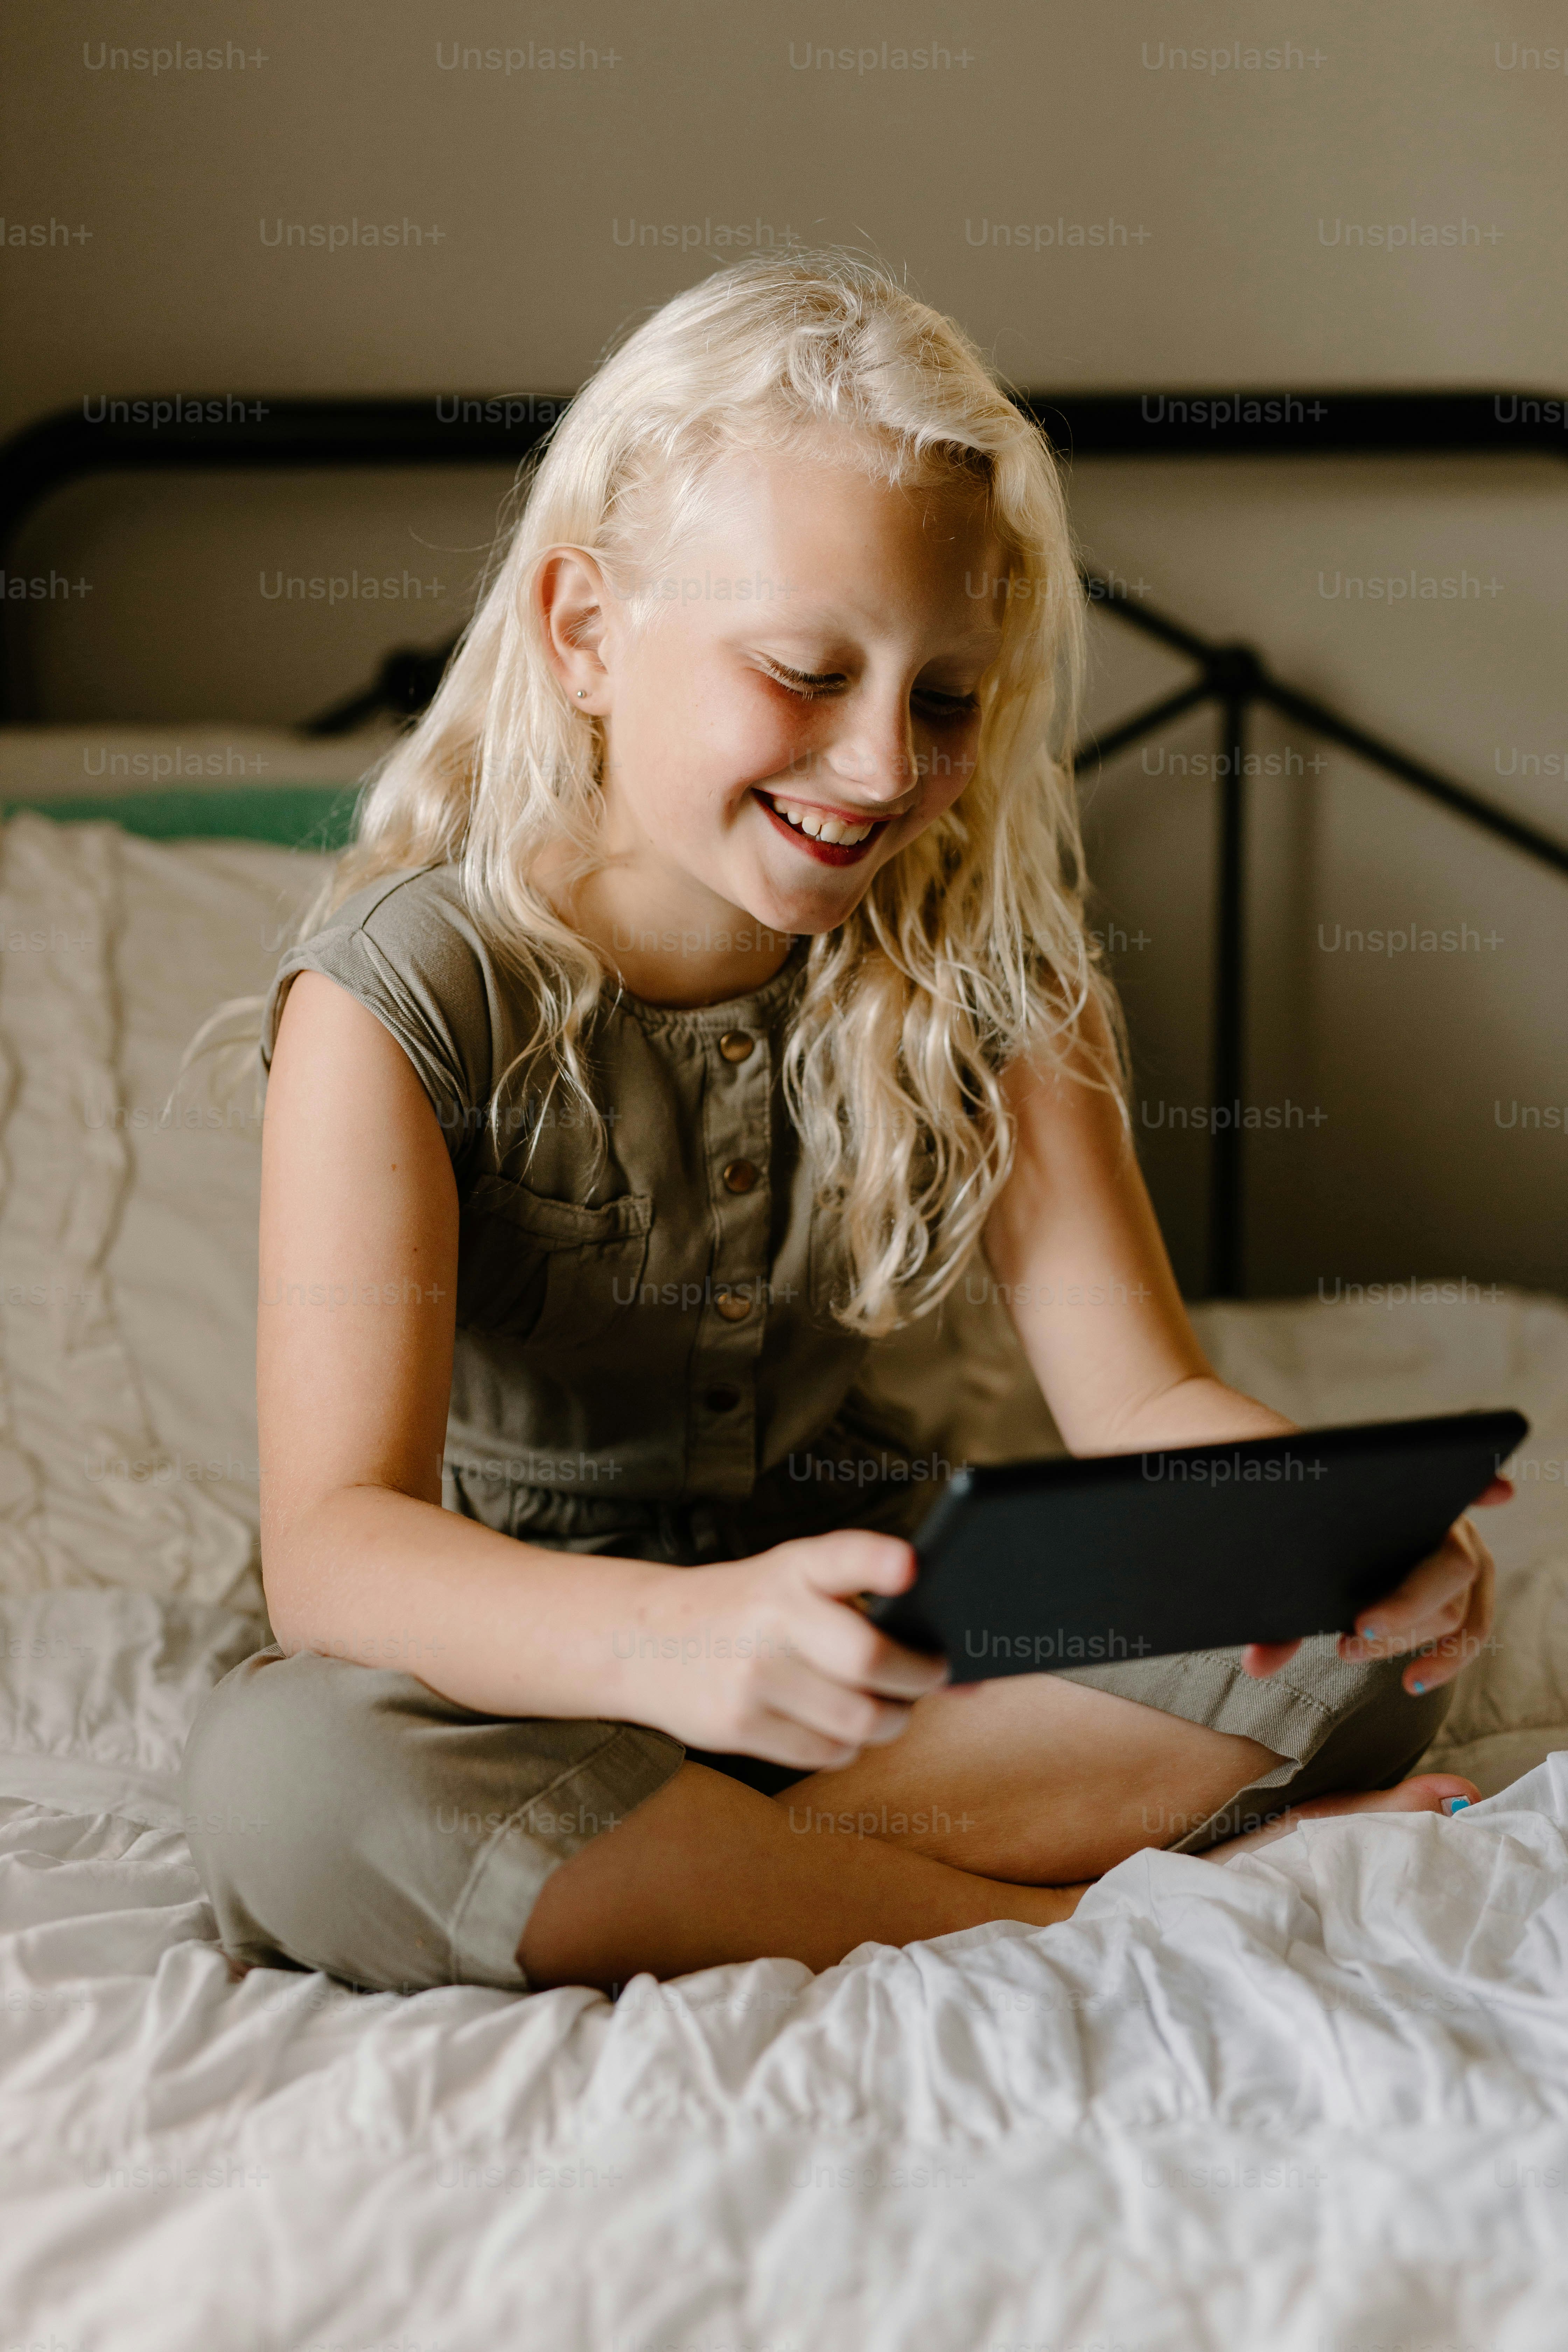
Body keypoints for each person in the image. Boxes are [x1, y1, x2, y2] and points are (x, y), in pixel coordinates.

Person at [179, 253, 1497, 1998]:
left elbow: (1143, 1404)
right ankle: (1060, 1919)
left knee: (1361, 1654)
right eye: (804, 672)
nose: (881, 770)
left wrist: (1332, 1539)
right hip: (526, 1672)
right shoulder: (401, 993)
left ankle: (705, 1869)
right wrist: (671, 1645)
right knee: (296, 1785)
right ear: (585, 632)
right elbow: (340, 1548)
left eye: (945, 700)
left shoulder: (987, 963)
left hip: (895, 1671)